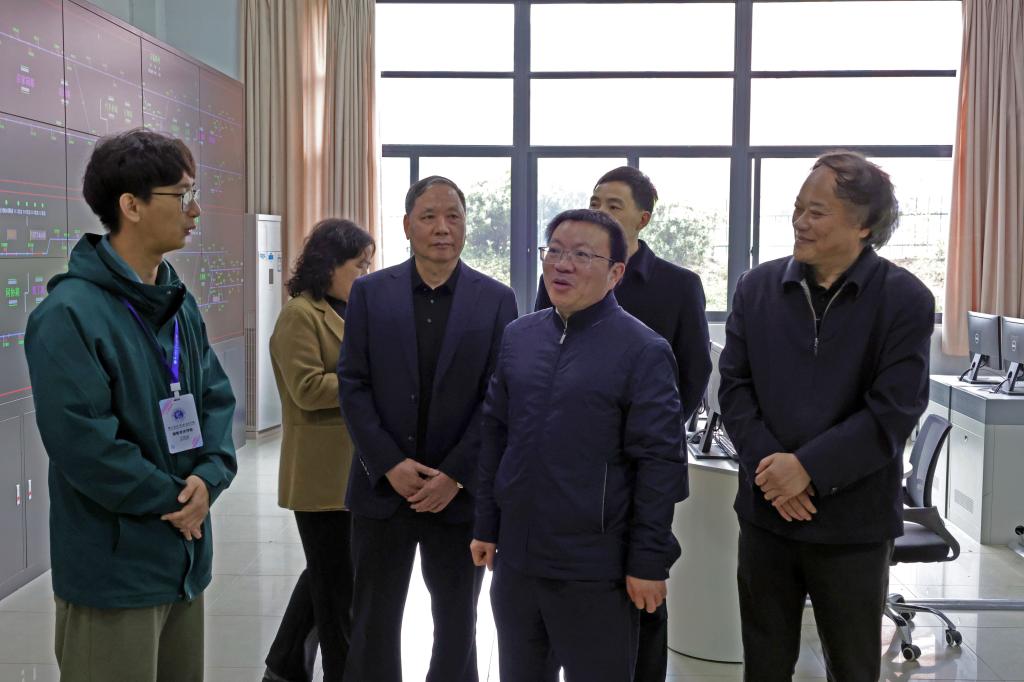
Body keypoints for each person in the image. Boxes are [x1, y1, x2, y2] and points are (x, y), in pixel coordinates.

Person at [24, 128, 237, 682]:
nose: (196, 210)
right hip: (115, 570)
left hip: (184, 559)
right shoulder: (69, 315)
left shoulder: (177, 303)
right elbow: (86, 445)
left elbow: (215, 399)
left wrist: (209, 477)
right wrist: (178, 498)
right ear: (131, 206)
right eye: (182, 195)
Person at [718, 151, 934, 682]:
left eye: (816, 212)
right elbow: (735, 389)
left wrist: (808, 470)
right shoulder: (756, 288)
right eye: (798, 208)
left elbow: (893, 410)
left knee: (853, 667)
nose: (800, 222)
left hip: (853, 524)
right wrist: (774, 471)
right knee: (764, 665)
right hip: (767, 514)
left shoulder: (905, 299)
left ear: (864, 225)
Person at [472, 208, 688, 682]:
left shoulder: (643, 350)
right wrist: (486, 524)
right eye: (554, 251)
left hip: (595, 568)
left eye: (582, 255)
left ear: (616, 273)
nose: (562, 264)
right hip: (519, 561)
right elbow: (496, 434)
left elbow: (659, 465)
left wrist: (648, 561)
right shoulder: (520, 337)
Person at [338, 176, 518, 682]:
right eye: (429, 217)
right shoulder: (370, 293)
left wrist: (455, 475)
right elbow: (353, 384)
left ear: (466, 225)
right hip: (382, 490)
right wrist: (389, 464)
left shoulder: (496, 299)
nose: (443, 228)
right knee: (373, 619)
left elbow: (498, 398)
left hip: (458, 496)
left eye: (453, 216)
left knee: (458, 622)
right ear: (406, 226)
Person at [535, 167, 711, 679]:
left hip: (641, 468)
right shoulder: (564, 276)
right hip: (571, 469)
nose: (600, 211)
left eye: (613, 204)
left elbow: (694, 371)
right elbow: (546, 353)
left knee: (642, 587)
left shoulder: (677, 285)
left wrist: (653, 436)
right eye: (595, 201)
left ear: (643, 218)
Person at [262, 219, 375, 682]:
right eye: (359, 265)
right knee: (336, 593)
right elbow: (306, 388)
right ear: (329, 265)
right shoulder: (300, 315)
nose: (366, 274)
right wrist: (367, 380)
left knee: (326, 578)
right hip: (319, 476)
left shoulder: (350, 310)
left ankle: (283, 666)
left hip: (353, 472)